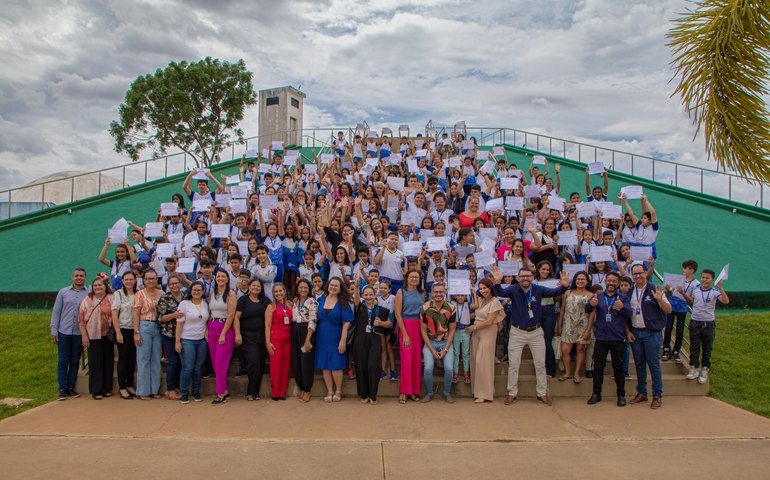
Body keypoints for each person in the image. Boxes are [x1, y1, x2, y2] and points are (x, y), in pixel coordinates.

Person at [492, 266, 569, 406]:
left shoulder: (539, 289)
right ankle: (512, 393)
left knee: (540, 364)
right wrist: (497, 282)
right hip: (517, 332)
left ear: (533, 278)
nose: (525, 278)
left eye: (528, 276)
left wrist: (564, 286)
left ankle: (542, 393)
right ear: (518, 278)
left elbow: (555, 291)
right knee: (513, 365)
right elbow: (500, 292)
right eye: (522, 276)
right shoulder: (513, 289)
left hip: (536, 332)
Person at [627, 263, 672, 409]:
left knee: (653, 365)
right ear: (632, 276)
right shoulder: (629, 291)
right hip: (636, 333)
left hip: (651, 333)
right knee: (639, 364)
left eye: (640, 273)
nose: (638, 276)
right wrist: (628, 331)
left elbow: (669, 309)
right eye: (635, 274)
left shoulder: (654, 289)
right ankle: (642, 392)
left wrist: (659, 299)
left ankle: (657, 395)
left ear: (646, 273)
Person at [584, 272, 632, 406]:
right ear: (605, 281)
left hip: (617, 338)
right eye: (609, 281)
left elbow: (629, 313)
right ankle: (596, 394)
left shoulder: (623, 298)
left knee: (618, 368)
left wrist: (622, 307)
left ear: (618, 283)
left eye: (614, 281)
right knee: (598, 367)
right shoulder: (598, 296)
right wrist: (591, 304)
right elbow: (587, 309)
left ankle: (621, 395)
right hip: (601, 338)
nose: (611, 283)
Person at [682, 269, 729, 384]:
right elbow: (692, 300)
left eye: (707, 278)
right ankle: (694, 368)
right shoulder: (696, 290)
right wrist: (681, 292)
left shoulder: (714, 292)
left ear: (712, 280)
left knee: (707, 347)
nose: (704, 280)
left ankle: (705, 369)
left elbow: (725, 301)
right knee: (694, 346)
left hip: (708, 323)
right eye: (703, 277)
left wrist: (721, 288)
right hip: (695, 322)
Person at [51, 268, 89, 401]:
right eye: (77, 276)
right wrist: (54, 330)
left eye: (82, 276)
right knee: (63, 361)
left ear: (85, 277)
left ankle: (71, 388)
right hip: (64, 331)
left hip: (79, 333)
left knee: (74, 361)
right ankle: (62, 388)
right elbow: (56, 312)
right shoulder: (63, 292)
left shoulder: (89, 292)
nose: (79, 278)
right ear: (72, 277)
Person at [352, 276, 392, 404]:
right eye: (366, 295)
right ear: (363, 296)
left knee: (373, 367)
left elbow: (390, 324)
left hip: (374, 340)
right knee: (361, 366)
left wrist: (381, 323)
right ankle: (364, 394)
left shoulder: (381, 310)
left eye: (371, 294)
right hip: (360, 340)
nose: (368, 297)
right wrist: (357, 286)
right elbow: (356, 299)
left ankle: (373, 395)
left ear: (375, 295)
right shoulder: (359, 308)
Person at [315, 276, 354, 402]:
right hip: (321, 337)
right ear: (328, 286)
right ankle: (329, 391)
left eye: (336, 286)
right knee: (325, 365)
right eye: (331, 285)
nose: (333, 287)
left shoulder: (343, 302)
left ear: (340, 288)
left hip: (336, 337)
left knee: (336, 365)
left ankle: (338, 390)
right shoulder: (320, 300)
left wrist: (343, 340)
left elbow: (347, 322)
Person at [466, 279, 504, 403]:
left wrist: (474, 327)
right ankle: (478, 391)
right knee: (475, 361)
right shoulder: (480, 300)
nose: (483, 291)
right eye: (481, 288)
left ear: (491, 288)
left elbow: (489, 321)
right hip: (476, 332)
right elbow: (475, 315)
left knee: (483, 362)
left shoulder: (495, 302)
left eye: (485, 288)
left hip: (487, 331)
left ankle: (485, 394)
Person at [419, 282, 457, 403]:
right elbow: (423, 330)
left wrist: (445, 349)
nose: (438, 294)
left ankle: (446, 392)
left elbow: (452, 330)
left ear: (445, 293)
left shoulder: (451, 308)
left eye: (441, 292)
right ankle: (430, 392)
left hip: (445, 342)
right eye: (436, 292)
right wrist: (431, 349)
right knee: (428, 368)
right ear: (432, 293)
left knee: (449, 369)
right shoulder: (425, 308)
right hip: (430, 341)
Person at [77, 276, 113, 399]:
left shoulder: (111, 298)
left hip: (108, 335)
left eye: (100, 285)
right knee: (95, 363)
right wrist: (84, 336)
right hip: (93, 335)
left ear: (105, 287)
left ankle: (107, 388)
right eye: (95, 285)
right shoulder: (88, 300)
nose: (97, 287)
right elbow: (81, 320)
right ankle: (96, 390)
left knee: (107, 362)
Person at [235, 278, 269, 401]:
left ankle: (256, 392)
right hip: (247, 337)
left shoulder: (265, 301)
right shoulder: (243, 300)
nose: (255, 288)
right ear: (249, 287)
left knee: (260, 365)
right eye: (253, 285)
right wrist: (237, 334)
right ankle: (250, 391)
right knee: (253, 363)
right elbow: (236, 318)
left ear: (261, 288)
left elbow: (272, 313)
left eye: (258, 286)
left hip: (262, 337)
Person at [175, 282, 210, 403]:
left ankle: (196, 391)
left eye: (199, 290)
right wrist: (177, 341)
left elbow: (206, 321)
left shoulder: (205, 304)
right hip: (187, 339)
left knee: (198, 368)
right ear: (190, 291)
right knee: (187, 368)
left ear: (202, 291)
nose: (196, 292)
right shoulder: (184, 304)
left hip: (201, 340)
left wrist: (206, 331)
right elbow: (179, 324)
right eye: (194, 290)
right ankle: (184, 392)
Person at [557, 271, 594, 384]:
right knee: (565, 350)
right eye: (578, 279)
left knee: (580, 350)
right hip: (568, 324)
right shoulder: (567, 292)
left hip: (582, 325)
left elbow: (592, 314)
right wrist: (559, 325)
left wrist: (588, 330)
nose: (580, 281)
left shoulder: (590, 295)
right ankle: (567, 372)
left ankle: (577, 373)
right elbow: (562, 309)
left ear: (587, 282)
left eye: (583, 279)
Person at [394, 269, 425, 404]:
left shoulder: (422, 293)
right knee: (406, 359)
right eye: (411, 277)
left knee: (416, 360)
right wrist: (405, 334)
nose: (414, 279)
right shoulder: (401, 292)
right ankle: (404, 391)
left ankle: (414, 391)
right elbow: (397, 314)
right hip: (405, 326)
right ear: (406, 278)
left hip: (418, 327)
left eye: (416, 277)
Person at [133, 268, 164, 400]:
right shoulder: (139, 294)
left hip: (158, 327)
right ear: (144, 280)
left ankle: (154, 389)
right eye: (148, 278)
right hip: (144, 325)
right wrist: (136, 332)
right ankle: (143, 390)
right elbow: (135, 314)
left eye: (153, 278)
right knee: (143, 359)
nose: (151, 281)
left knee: (156, 359)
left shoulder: (162, 293)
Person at [208, 270, 237, 405]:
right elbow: (209, 311)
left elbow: (231, 315)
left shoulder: (231, 294)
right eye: (218, 276)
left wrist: (224, 333)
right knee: (214, 362)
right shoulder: (212, 292)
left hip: (224, 328)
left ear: (227, 279)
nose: (220, 278)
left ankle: (220, 393)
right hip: (212, 326)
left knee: (220, 362)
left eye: (223, 276)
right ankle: (224, 390)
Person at [663, 259, 699, 362]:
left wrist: (683, 293)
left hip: (682, 308)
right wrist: (669, 289)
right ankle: (666, 348)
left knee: (680, 329)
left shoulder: (696, 284)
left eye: (685, 268)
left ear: (692, 270)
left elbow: (692, 300)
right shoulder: (679, 279)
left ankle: (676, 351)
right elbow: (672, 291)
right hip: (672, 305)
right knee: (668, 327)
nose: (683, 270)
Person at [156, 273, 184, 400]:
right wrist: (173, 315)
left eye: (177, 283)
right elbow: (160, 318)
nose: (175, 285)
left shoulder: (186, 296)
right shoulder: (165, 299)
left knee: (181, 361)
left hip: (184, 333)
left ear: (181, 284)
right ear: (168, 285)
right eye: (172, 283)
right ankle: (170, 389)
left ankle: (176, 385)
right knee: (173, 360)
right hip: (169, 334)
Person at [111, 271, 137, 399]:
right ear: (122, 281)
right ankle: (122, 387)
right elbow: (114, 314)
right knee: (123, 359)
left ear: (135, 280)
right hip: (123, 329)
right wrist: (118, 332)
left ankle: (129, 384)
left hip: (135, 330)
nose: (128, 282)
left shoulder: (138, 294)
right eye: (126, 279)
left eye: (131, 279)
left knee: (132, 359)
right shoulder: (118, 294)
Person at [291, 278, 318, 402]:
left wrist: (308, 340)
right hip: (295, 330)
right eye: (301, 287)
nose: (303, 290)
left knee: (306, 362)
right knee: (296, 360)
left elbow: (312, 321)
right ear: (297, 289)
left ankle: (307, 390)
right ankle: (301, 387)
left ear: (309, 289)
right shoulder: (295, 301)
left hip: (306, 332)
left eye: (305, 288)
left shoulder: (312, 301)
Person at [265, 283, 293, 400]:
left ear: (285, 291)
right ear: (273, 294)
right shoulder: (271, 307)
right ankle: (275, 392)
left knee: (286, 366)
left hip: (288, 339)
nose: (278, 293)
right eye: (276, 292)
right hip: (275, 339)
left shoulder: (290, 305)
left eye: (280, 291)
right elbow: (267, 325)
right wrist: (268, 342)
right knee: (276, 366)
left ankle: (283, 392)